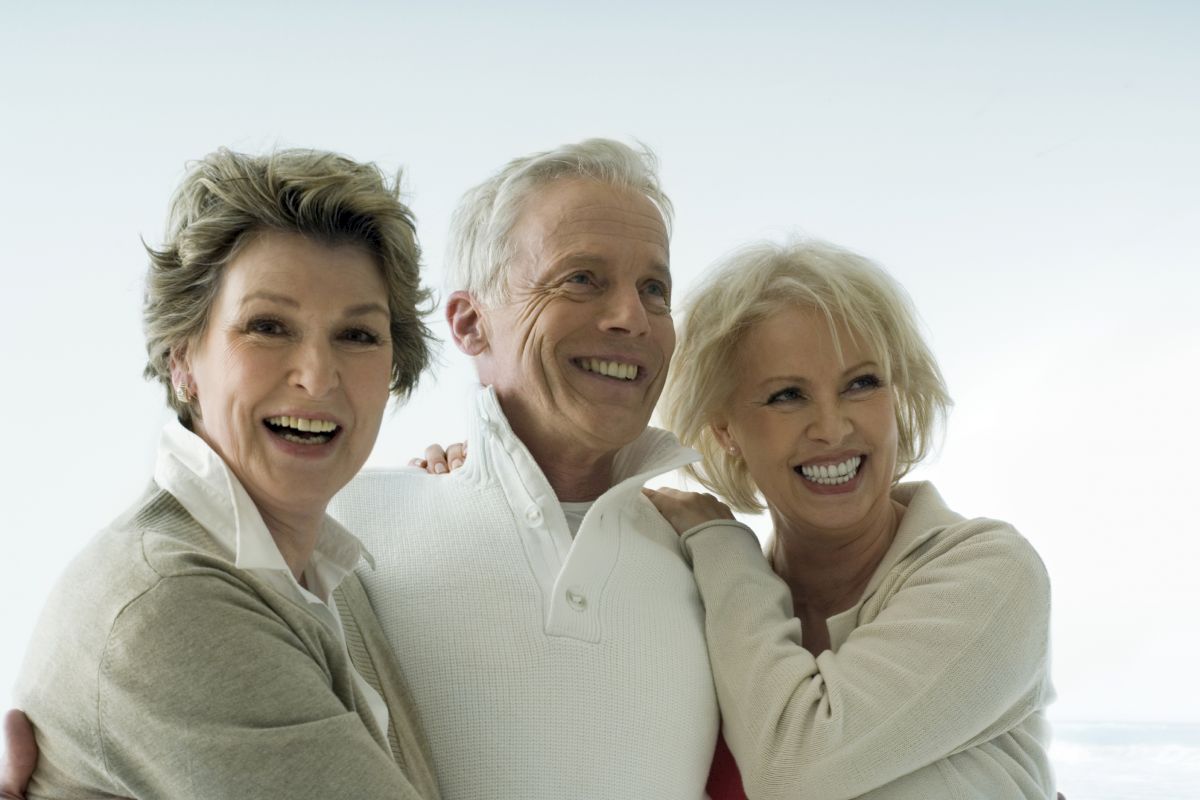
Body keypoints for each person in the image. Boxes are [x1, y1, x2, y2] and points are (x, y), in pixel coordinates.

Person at [7, 149, 441, 799]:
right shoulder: (169, 603)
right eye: (268, 327)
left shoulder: (322, 573)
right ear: (184, 358)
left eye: (358, 335)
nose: (318, 376)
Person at [326, 139, 719, 799]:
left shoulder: (715, 567)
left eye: (654, 288)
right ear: (471, 324)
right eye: (582, 278)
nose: (631, 318)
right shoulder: (339, 528)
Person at [644, 239, 1056, 798]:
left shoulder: (992, 573)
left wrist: (720, 540)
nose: (833, 428)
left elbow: (795, 767)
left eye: (861, 384)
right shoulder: (707, 604)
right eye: (787, 395)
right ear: (725, 431)